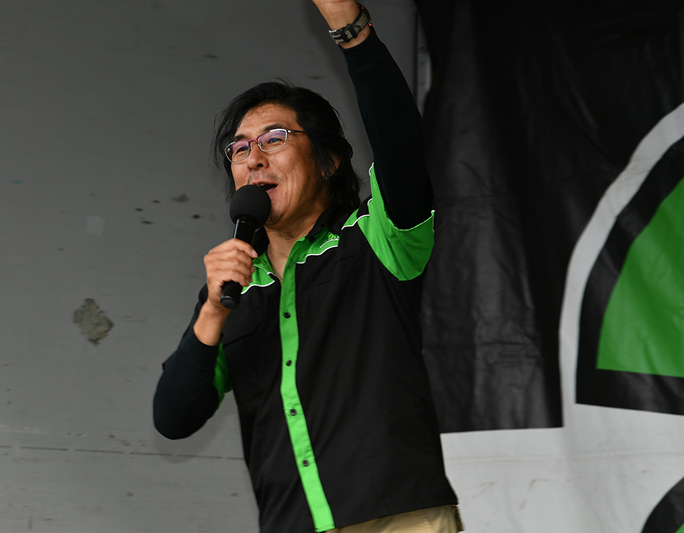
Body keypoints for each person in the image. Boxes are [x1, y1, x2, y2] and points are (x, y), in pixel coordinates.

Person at [153, 1, 462, 531]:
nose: (253, 158)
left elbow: (401, 145)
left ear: (328, 160)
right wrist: (211, 314)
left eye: (274, 139)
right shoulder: (234, 288)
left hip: (400, 519)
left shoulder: (375, 239)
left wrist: (351, 28)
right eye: (239, 149)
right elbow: (173, 418)